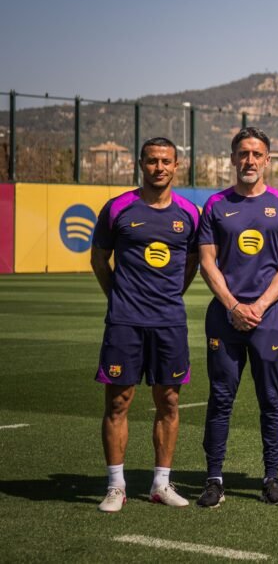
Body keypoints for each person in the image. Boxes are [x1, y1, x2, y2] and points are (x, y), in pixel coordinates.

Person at [91, 137, 200, 512]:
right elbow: (99, 259)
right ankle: (116, 485)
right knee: (118, 401)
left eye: (166, 161)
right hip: (125, 321)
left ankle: (160, 484)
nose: (159, 167)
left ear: (176, 166)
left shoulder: (189, 213)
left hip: (169, 322)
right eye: (152, 161)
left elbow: (192, 264)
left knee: (169, 401)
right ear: (141, 164)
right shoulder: (118, 208)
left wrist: (171, 297)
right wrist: (117, 298)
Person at [195, 127, 278, 508]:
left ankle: (272, 478)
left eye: (257, 154)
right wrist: (233, 306)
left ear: (267, 160)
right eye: (243, 154)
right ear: (233, 158)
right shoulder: (215, 205)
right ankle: (214, 478)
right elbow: (207, 263)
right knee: (221, 398)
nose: (250, 160)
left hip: (268, 318)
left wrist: (258, 306)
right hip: (225, 318)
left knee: (271, 399)